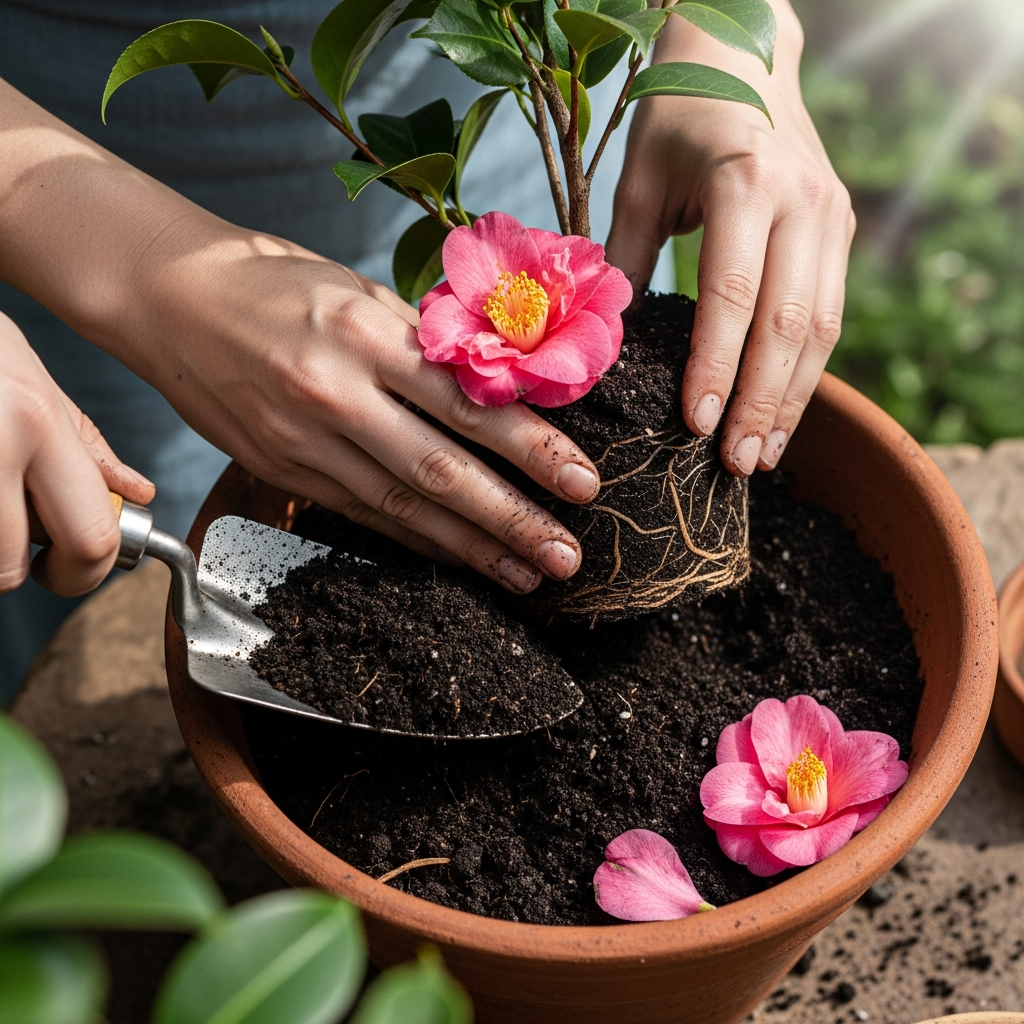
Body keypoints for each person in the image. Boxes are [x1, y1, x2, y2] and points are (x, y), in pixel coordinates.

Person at [0, 0, 853, 701]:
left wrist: (725, 42)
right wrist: (145, 273)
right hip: (62, 238)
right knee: (87, 578)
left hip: (510, 163)